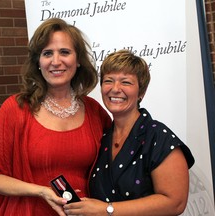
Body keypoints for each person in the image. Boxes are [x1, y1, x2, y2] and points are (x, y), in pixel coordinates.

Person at [0, 18, 111, 216]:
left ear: (78, 59)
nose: (56, 61)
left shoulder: (95, 111)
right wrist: (42, 191)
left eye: (64, 52)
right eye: (47, 53)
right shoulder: (15, 109)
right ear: (38, 62)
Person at [63, 50, 195, 216]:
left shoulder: (158, 136)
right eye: (108, 81)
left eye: (126, 82)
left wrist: (106, 210)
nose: (115, 89)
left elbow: (175, 203)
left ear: (141, 92)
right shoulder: (102, 137)